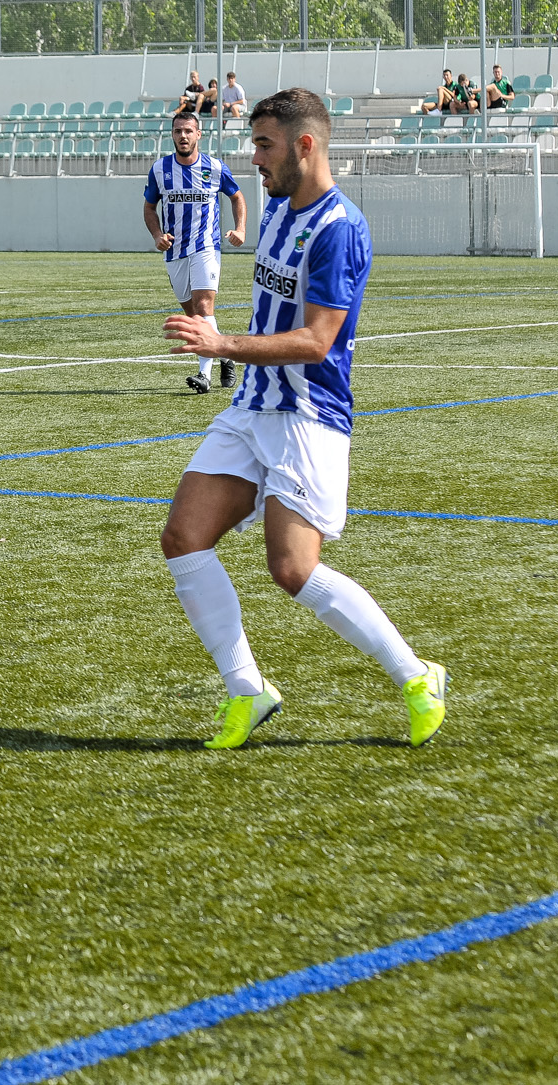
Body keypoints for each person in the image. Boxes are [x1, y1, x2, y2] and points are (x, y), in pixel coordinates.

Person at [158, 88, 447, 751]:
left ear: (305, 145)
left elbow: (318, 340)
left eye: (264, 145)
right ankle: (247, 689)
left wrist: (223, 344)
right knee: (183, 534)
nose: (253, 157)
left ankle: (416, 675)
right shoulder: (278, 211)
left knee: (292, 570)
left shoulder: (340, 229)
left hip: (308, 416)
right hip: (252, 407)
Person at [144, 111, 246, 394]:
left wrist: (240, 229)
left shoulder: (214, 167)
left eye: (188, 131)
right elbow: (149, 207)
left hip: (206, 247)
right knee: (193, 319)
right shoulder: (160, 170)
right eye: (178, 131)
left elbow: (237, 196)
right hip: (175, 250)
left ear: (199, 134)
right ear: (172, 135)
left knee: (203, 310)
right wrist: (157, 235)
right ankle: (225, 354)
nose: (183, 136)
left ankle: (204, 375)